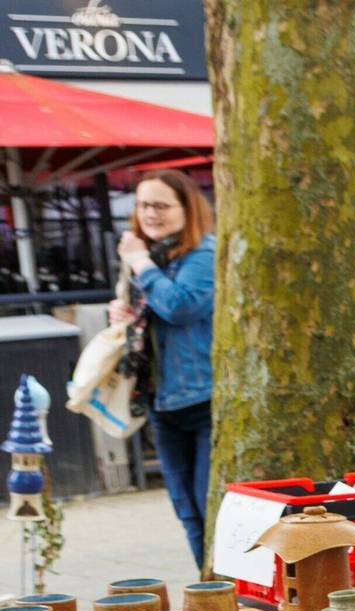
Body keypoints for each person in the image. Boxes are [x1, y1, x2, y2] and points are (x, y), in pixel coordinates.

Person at [108, 169, 215, 570]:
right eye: (142, 205)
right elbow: (149, 316)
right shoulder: (151, 257)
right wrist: (124, 313)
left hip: (204, 399)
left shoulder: (203, 254)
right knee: (187, 510)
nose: (149, 213)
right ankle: (208, 589)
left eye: (160, 205)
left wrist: (138, 262)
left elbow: (182, 306)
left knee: (209, 506)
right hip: (162, 401)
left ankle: (227, 591)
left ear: (187, 209)